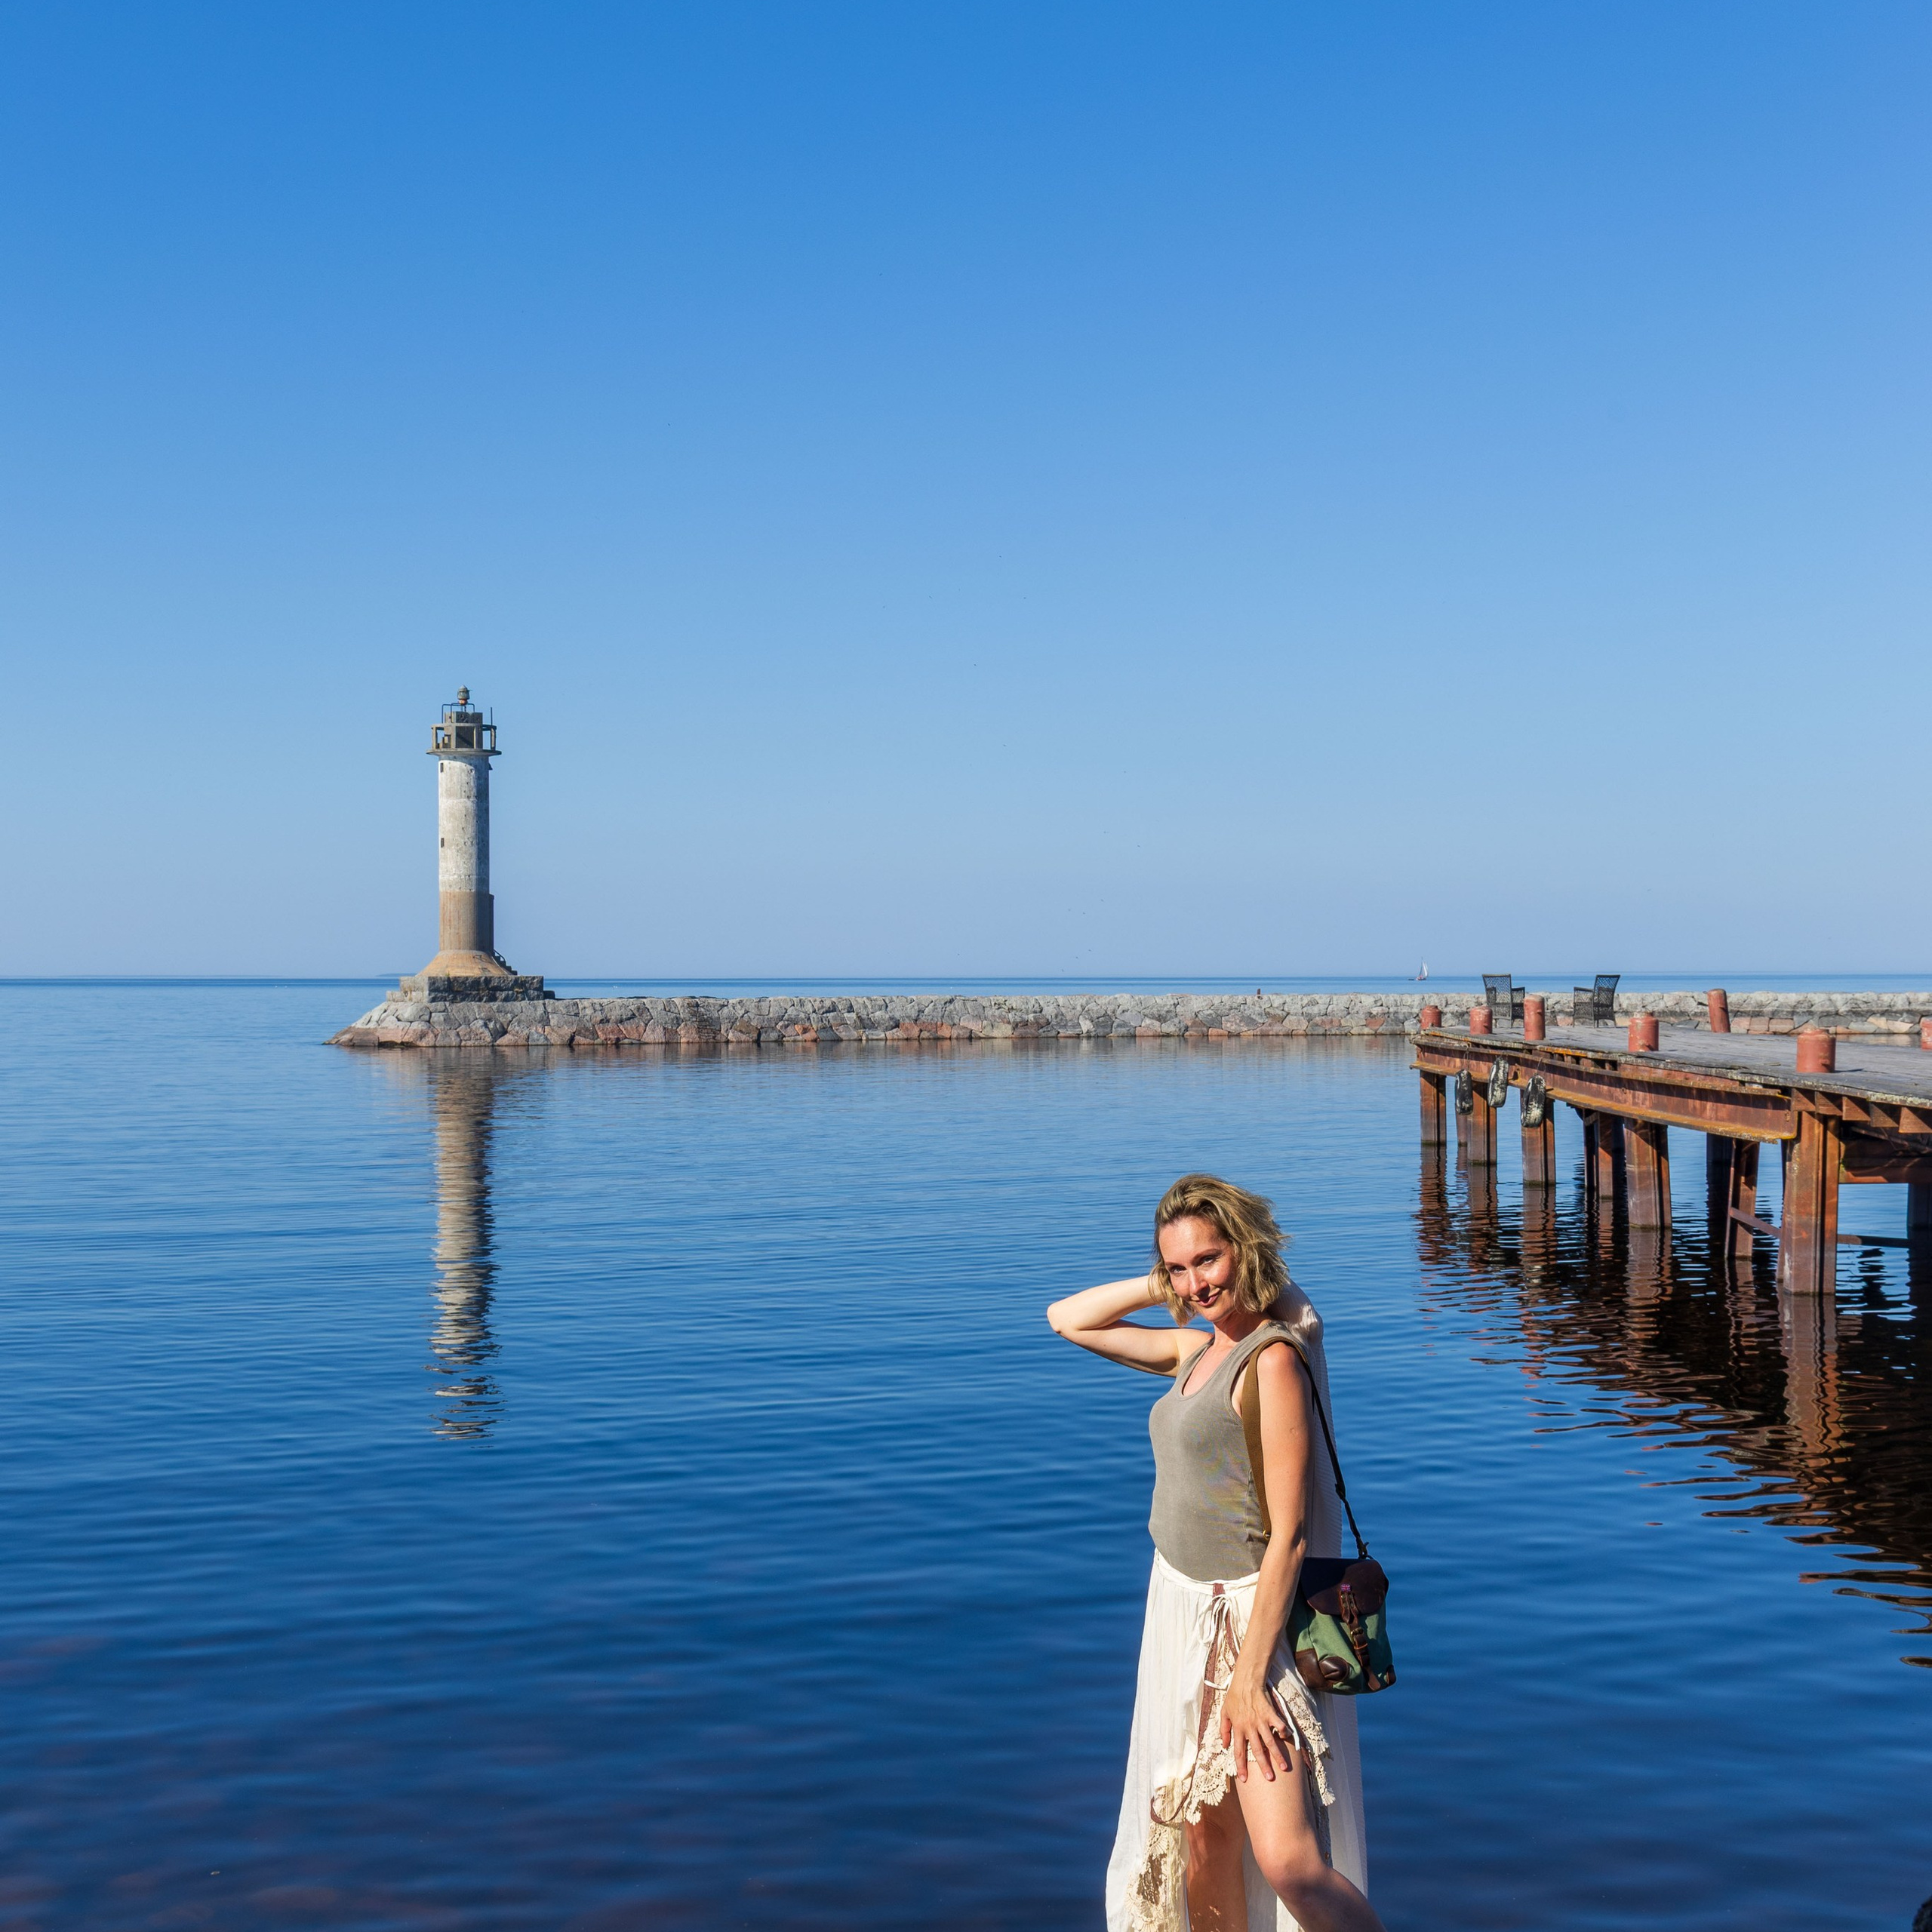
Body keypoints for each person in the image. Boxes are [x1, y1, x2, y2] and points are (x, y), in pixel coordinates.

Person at [1048, 1174, 1385, 1932]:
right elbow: (1066, 1319)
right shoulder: (1193, 1352)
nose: (1197, 1281)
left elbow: (1291, 1534)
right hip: (1178, 1613)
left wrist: (1244, 1681)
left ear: (1246, 1250)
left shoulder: (1271, 1358)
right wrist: (1166, 1279)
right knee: (1202, 1837)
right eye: (1179, 1267)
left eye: (1210, 1259)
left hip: (1247, 1622)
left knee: (1289, 1860)